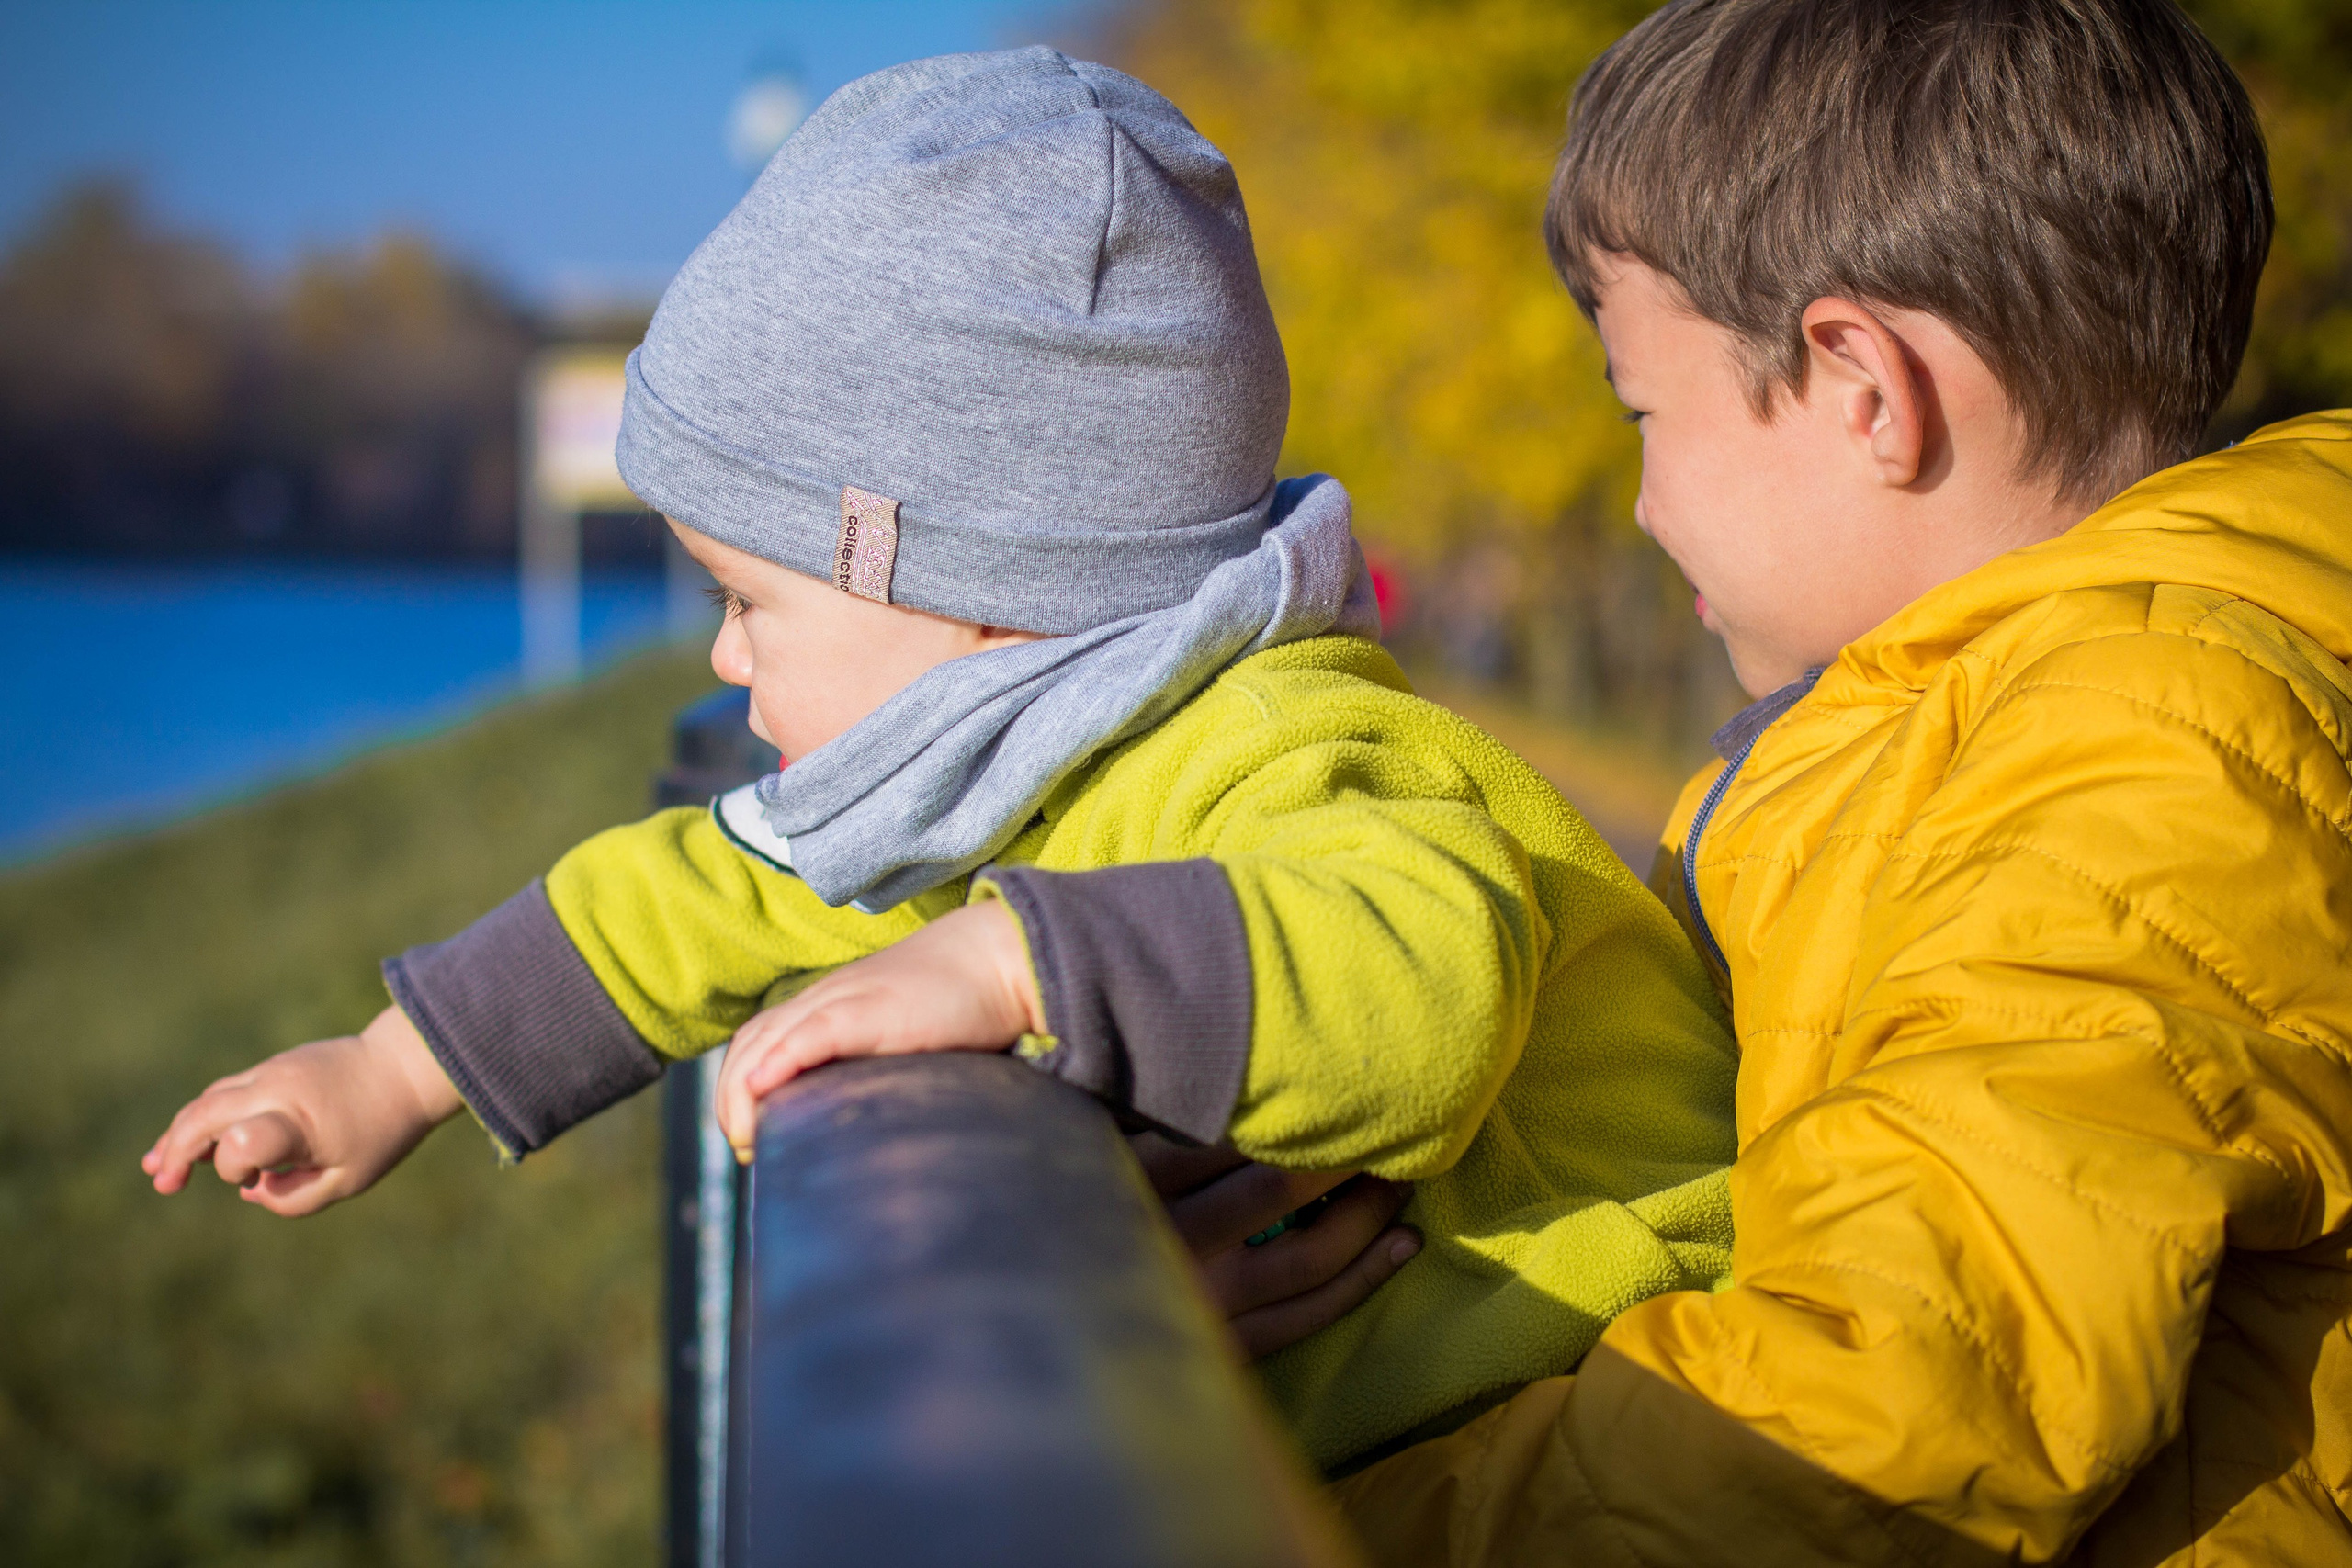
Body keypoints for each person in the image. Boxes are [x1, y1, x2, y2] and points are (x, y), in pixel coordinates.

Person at [141, 47, 1739, 1473]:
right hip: (1417, 1421)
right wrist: (387, 1073)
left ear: (965, 588)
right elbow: (698, 891)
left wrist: (1009, 967)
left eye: (747, 598)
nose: (721, 657)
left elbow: (1419, 983)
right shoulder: (980, 747)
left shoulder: (1286, 739)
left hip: (1625, 1399)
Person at [1327, 0, 2352, 1562]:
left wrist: (1305, 1521)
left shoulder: (2142, 749)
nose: (1644, 505)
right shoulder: (1944, 732)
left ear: (1863, 386)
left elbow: (1895, 1393)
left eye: (1644, 415)